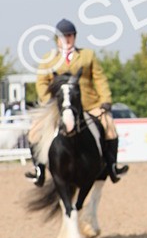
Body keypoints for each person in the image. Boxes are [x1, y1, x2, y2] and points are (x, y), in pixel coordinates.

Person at [26, 19, 129, 186]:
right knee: (34, 131)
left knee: (110, 127)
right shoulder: (48, 59)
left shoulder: (87, 55)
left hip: (89, 105)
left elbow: (99, 79)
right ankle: (39, 170)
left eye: (70, 35)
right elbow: (42, 82)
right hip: (59, 108)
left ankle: (112, 167)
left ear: (74, 37)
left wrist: (105, 100)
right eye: (63, 36)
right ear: (57, 39)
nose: (67, 39)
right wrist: (48, 101)